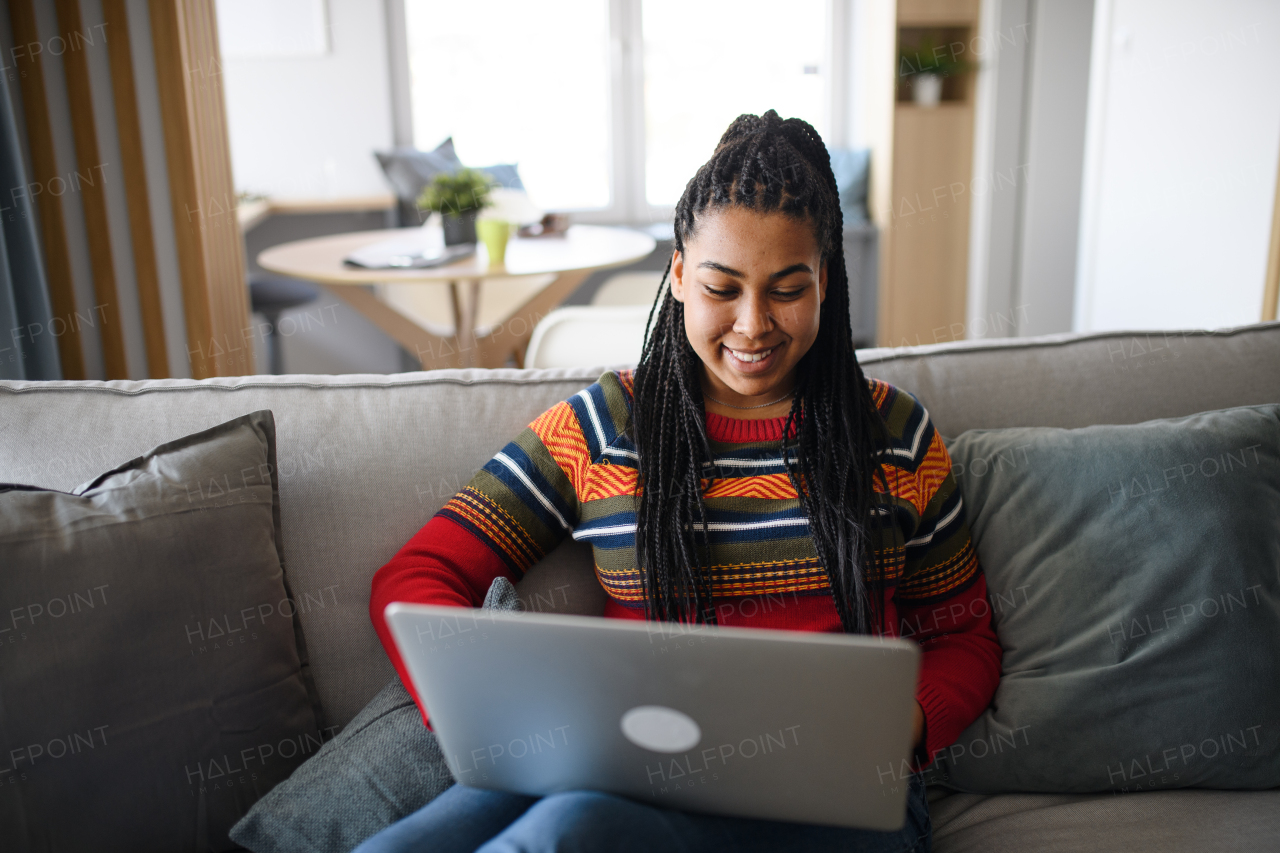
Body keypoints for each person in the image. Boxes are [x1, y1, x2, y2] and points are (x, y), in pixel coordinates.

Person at [362, 110, 1002, 853]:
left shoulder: (895, 434)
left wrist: (897, 729)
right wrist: (480, 711)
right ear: (677, 276)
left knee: (570, 831)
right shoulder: (605, 425)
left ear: (825, 280)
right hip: (626, 769)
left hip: (839, 802)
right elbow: (419, 572)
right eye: (721, 287)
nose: (753, 324)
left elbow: (964, 635)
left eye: (787, 288)